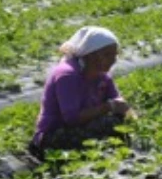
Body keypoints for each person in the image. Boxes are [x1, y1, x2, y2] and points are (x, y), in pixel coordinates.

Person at [31, 26, 131, 156]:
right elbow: (72, 118)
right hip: (53, 135)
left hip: (80, 128)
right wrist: (108, 107)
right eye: (107, 55)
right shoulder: (67, 75)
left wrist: (127, 112)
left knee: (118, 119)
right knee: (109, 123)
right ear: (90, 55)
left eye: (115, 55)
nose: (113, 60)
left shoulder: (102, 75)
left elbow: (118, 102)